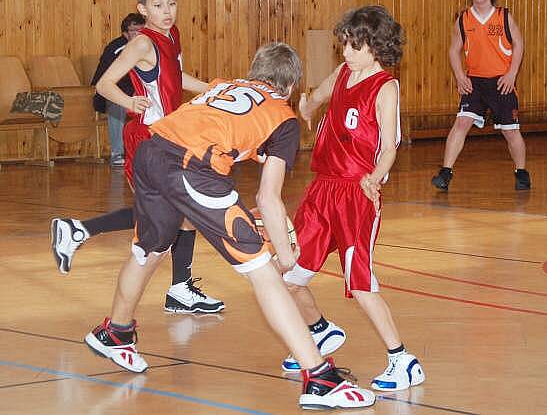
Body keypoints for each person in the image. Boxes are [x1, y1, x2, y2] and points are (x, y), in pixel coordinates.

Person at [83, 42, 375, 410]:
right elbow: (268, 198)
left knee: (150, 250)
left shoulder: (225, 85)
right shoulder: (282, 117)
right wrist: (287, 256)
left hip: (150, 152)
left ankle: (116, 331)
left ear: (256, 72)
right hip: (191, 168)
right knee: (264, 271)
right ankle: (319, 378)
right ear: (291, 87)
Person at [51, 0, 224, 314]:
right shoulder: (142, 43)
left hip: (169, 137)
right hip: (146, 140)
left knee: (177, 214)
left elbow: (175, 77)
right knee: (169, 214)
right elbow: (104, 84)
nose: (167, 11)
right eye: (158, 6)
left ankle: (177, 287)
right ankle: (81, 232)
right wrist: (130, 103)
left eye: (172, 4)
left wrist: (213, 88)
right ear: (142, 9)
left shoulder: (171, 36)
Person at [281, 5, 425, 392]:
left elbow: (389, 147)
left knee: (360, 283)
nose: (344, 51)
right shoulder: (345, 71)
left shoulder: (385, 87)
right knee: (289, 275)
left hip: (355, 194)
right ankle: (319, 333)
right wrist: (305, 107)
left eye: (353, 45)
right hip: (322, 189)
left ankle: (403, 360)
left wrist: (375, 178)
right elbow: (315, 98)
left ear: (375, 47)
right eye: (343, 43)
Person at [431, 0, 530, 191]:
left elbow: (519, 44)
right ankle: (445, 173)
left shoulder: (503, 16)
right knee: (462, 123)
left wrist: (512, 73)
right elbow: (453, 50)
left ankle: (521, 172)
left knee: (510, 131)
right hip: (474, 81)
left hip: (501, 81)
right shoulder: (463, 19)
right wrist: (459, 75)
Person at [91, 13, 145, 167]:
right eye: (134, 31)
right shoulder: (115, 49)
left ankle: (148, 151)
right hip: (108, 94)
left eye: (142, 30)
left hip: (135, 94)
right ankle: (117, 153)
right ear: (125, 33)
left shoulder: (146, 47)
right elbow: (104, 83)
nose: (138, 34)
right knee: (117, 104)